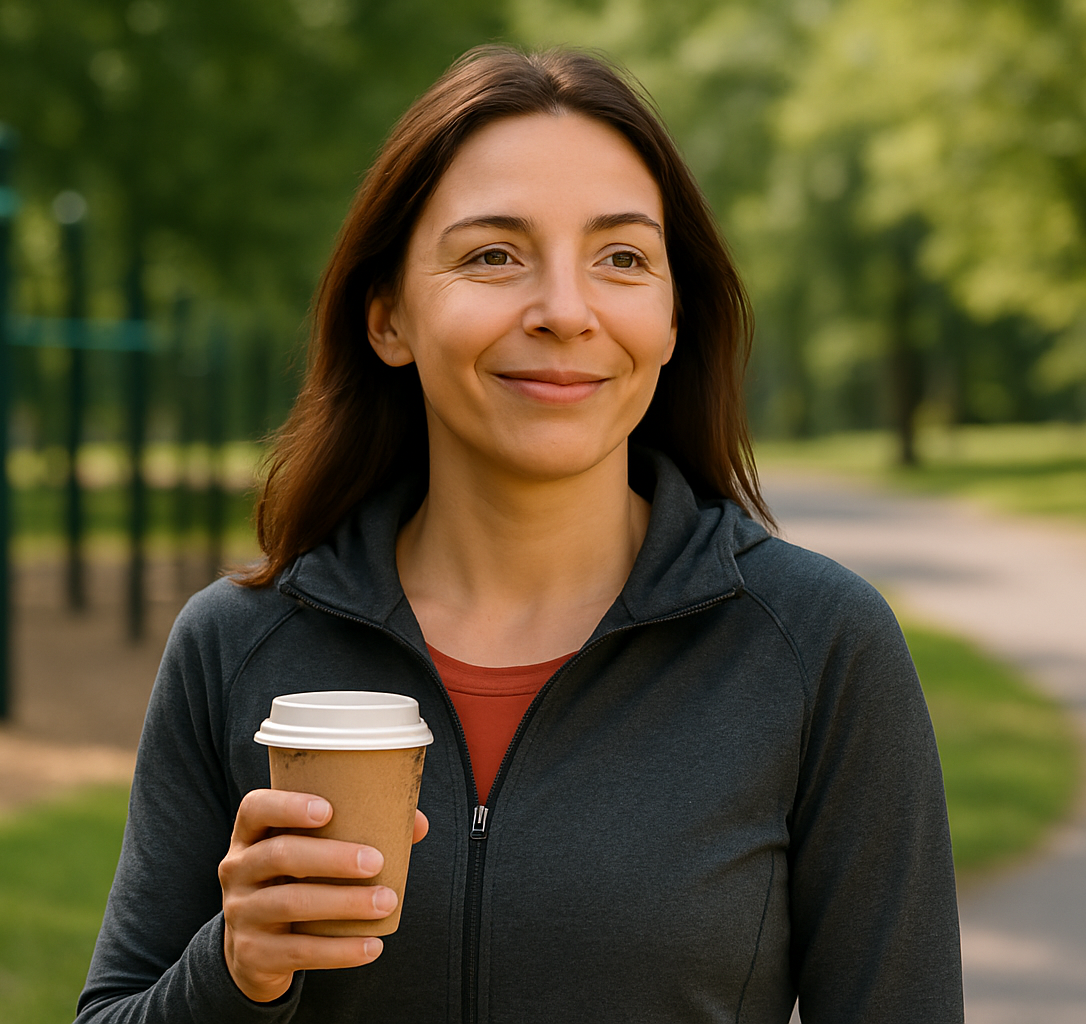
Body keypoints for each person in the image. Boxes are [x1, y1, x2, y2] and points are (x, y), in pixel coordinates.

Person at [76, 45, 963, 1024]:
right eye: (494, 254)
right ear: (388, 317)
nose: (565, 312)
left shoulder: (818, 647)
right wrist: (234, 971)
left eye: (622, 258)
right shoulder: (236, 647)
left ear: (673, 320)